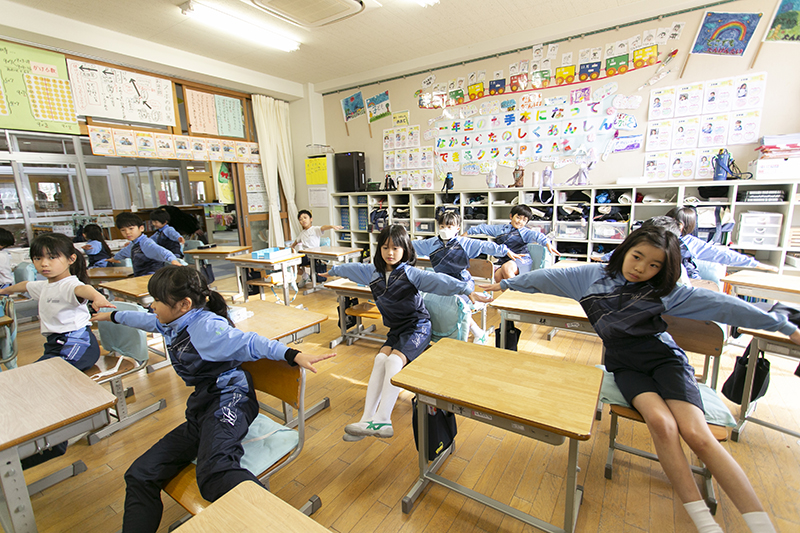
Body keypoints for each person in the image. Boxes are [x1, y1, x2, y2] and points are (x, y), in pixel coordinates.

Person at [482, 226, 796, 533]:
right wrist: (507, 286)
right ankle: (703, 521)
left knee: (697, 434)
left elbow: (725, 306)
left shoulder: (664, 290)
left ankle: (761, 524)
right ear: (625, 250)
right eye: (637, 257)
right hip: (624, 366)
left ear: (663, 268)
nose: (641, 268)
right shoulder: (590, 277)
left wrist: (784, 327)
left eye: (654, 265)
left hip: (665, 361)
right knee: (662, 424)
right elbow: (542, 278)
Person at [91, 266, 335, 533]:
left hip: (231, 398)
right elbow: (143, 320)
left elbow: (250, 342)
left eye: (157, 301)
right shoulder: (171, 322)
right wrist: (112, 315)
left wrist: (293, 355)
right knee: (140, 473)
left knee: (214, 474)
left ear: (184, 304)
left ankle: (285, 526)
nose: (152, 307)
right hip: (204, 404)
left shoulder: (206, 327)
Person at [328, 225, 492, 440]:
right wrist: (331, 270)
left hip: (418, 326)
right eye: (385, 247)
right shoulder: (372, 273)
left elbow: (440, 282)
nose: (390, 252)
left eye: (396, 248)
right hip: (397, 329)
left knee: (393, 363)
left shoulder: (410, 273)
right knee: (379, 360)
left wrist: (468, 290)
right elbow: (351, 268)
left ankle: (383, 421)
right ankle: (367, 419)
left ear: (405, 250)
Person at [0, 232, 114, 468]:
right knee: (27, 381)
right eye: (38, 258)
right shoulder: (44, 286)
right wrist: (4, 291)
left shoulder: (70, 284)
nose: (44, 263)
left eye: (52, 258)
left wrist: (97, 298)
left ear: (71, 259)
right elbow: (24, 285)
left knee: (47, 383)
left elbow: (84, 290)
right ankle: (33, 438)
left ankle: (55, 443)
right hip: (57, 344)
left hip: (78, 344)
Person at [413, 211, 520, 344]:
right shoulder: (431, 243)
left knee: (453, 302)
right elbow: (410, 246)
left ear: (457, 228)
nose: (445, 230)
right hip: (442, 281)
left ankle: (476, 332)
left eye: (449, 227)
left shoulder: (464, 243)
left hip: (462, 282)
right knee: (426, 299)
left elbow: (485, 246)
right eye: (442, 226)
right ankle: (435, 333)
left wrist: (505, 251)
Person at [666, 207, 777, 277]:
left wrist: (755, 264)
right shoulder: (656, 237)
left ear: (683, 226)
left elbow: (723, 255)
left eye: (676, 224)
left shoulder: (689, 242)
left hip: (684, 281)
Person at [465, 204, 559, 282]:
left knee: (507, 268)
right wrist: (464, 235)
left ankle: (516, 295)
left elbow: (538, 235)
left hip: (522, 260)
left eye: (524, 220)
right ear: (511, 216)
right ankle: (507, 299)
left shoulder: (525, 232)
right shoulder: (500, 229)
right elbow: (482, 228)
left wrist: (547, 243)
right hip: (505, 260)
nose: (520, 222)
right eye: (518, 217)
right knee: (498, 276)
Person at [111, 212, 181, 276]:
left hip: (152, 278)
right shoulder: (133, 244)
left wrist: (173, 260)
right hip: (140, 277)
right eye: (123, 230)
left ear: (141, 228)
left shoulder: (146, 243)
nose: (127, 232)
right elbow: (123, 253)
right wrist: (114, 258)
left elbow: (162, 252)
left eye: (131, 228)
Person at [290, 209, 343, 287]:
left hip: (313, 255)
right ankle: (305, 276)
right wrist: (291, 247)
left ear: (311, 219)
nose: (303, 220)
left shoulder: (315, 229)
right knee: (291, 263)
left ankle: (308, 278)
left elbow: (323, 227)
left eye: (305, 218)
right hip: (304, 254)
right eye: (300, 219)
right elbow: (296, 242)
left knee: (318, 277)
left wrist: (332, 226)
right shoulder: (302, 233)